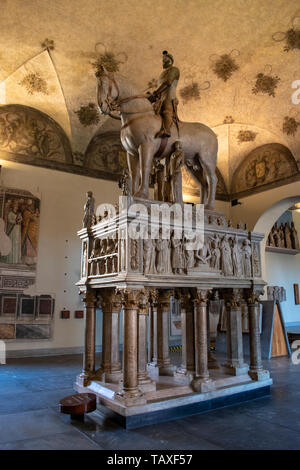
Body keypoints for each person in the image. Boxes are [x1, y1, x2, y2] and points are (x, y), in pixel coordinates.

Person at [148, 51, 180, 138]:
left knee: (167, 109)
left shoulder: (174, 69)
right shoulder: (162, 74)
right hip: (161, 96)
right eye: (162, 59)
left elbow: (168, 82)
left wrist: (155, 93)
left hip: (169, 95)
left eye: (164, 58)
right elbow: (161, 86)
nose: (163, 60)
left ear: (170, 59)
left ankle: (167, 130)